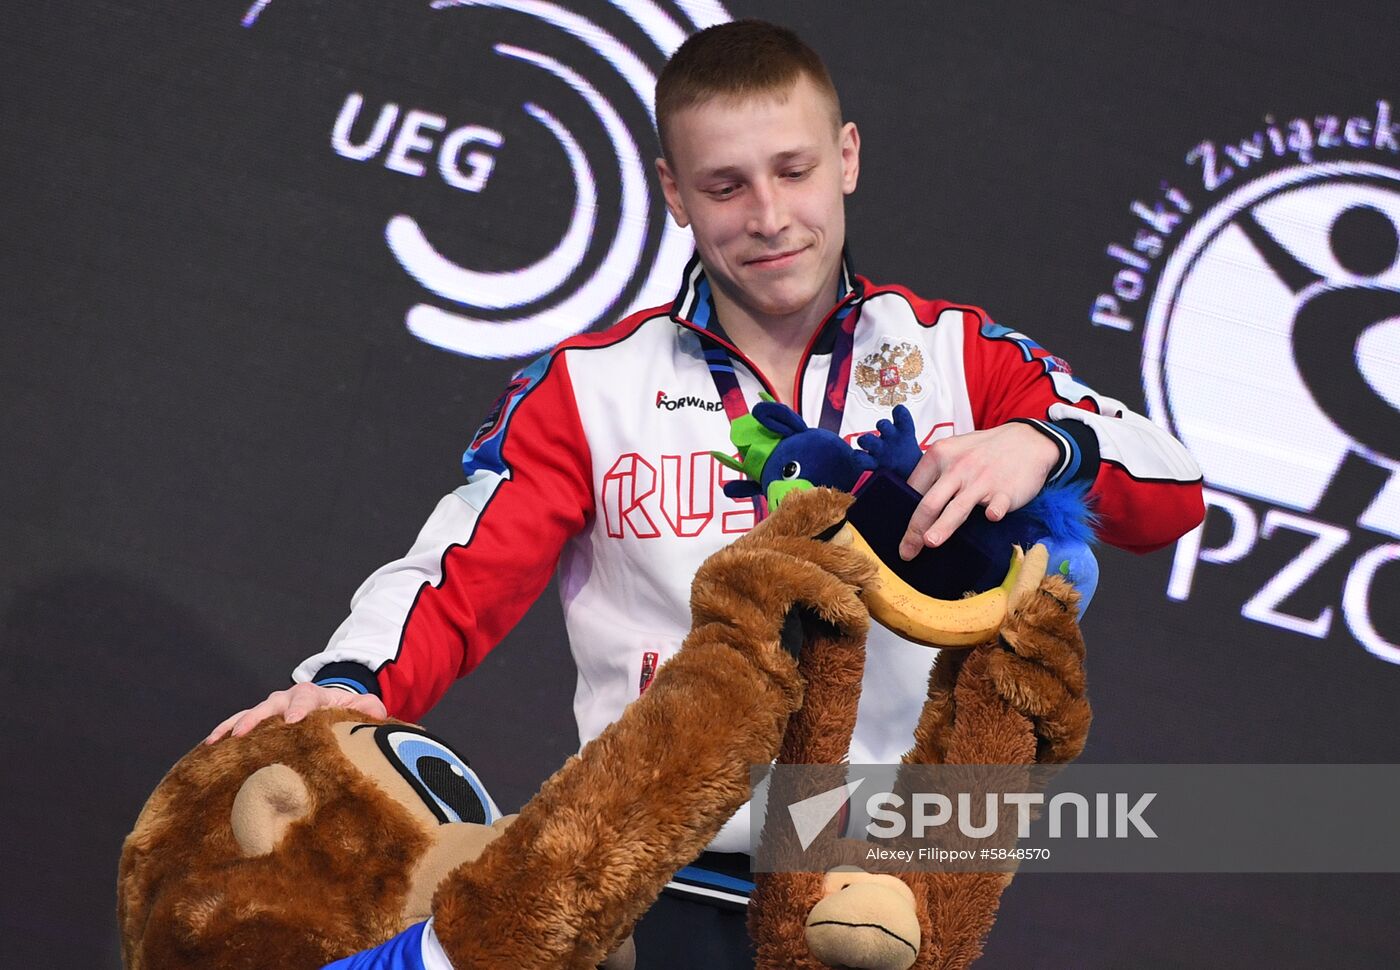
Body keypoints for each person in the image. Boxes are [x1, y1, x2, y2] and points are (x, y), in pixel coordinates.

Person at [207, 19, 1204, 967]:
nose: (768, 217)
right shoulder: (592, 387)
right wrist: (346, 687)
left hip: (871, 912)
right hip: (647, 893)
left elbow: (1172, 490)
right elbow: (454, 578)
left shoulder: (957, 358)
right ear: (672, 192)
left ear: (846, 156)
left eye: (794, 170)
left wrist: (1045, 443)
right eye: (725, 185)